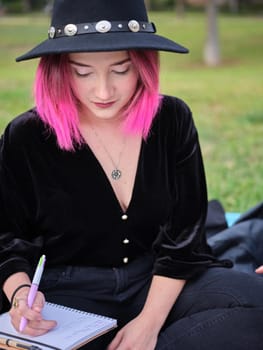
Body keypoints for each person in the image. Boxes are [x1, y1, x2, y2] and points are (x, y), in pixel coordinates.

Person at [0, 1, 263, 349]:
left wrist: (148, 325)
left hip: (157, 282)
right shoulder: (27, 136)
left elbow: (183, 240)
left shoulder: (171, 119)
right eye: (83, 72)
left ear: (143, 64)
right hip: (64, 291)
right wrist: (21, 296)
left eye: (121, 70)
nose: (104, 91)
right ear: (59, 69)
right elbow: (6, 238)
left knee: (253, 301)